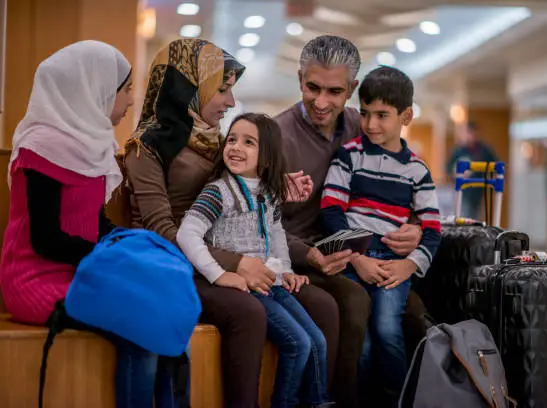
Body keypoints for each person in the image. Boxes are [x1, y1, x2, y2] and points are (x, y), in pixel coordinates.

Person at [123, 38, 338, 408]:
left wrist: (304, 253)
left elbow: (250, 217)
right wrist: (236, 265)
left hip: (223, 254)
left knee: (323, 304)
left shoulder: (217, 143)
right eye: (221, 89)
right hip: (176, 264)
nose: (231, 102)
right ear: (189, 87)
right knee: (248, 310)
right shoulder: (146, 148)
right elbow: (161, 228)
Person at [0, 41, 184, 408]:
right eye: (127, 89)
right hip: (37, 277)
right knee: (145, 326)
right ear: (94, 87)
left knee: (172, 314)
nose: (132, 100)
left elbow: (92, 222)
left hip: (82, 271)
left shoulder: (92, 142)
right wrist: (118, 259)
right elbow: (45, 240)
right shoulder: (41, 147)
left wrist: (136, 245)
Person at [276, 35, 423, 408]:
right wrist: (326, 256)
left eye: (334, 91)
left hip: (361, 250)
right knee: (356, 302)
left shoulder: (366, 126)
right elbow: (258, 221)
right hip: (298, 254)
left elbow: (410, 181)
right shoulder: (275, 136)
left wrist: (417, 228)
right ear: (299, 79)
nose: (321, 102)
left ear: (352, 90)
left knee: (416, 309)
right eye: (312, 87)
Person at [177, 113, 331, 408]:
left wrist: (286, 270)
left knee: (317, 343)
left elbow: (276, 234)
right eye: (232, 139)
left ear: (268, 156)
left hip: (269, 281)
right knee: (297, 344)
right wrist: (219, 275)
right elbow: (187, 234)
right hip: (245, 287)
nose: (236, 147)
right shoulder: (219, 191)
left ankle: (317, 401)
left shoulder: (267, 192)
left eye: (249, 143)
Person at [320, 66, 442, 407]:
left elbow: (433, 230)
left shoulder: (417, 170)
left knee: (388, 330)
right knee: (363, 342)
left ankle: (397, 400)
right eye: (366, 113)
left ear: (406, 116)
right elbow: (331, 211)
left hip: (394, 263)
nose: (371, 124)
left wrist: (410, 266)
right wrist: (356, 258)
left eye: (382, 115)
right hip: (354, 255)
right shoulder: (349, 155)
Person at [446, 121, 498, 220]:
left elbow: (495, 165)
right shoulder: (458, 151)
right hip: (462, 191)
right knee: (464, 216)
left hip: (478, 190)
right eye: (466, 133)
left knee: (476, 217)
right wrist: (454, 173)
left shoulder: (484, 150)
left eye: (471, 133)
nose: (469, 136)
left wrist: (495, 178)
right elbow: (449, 167)